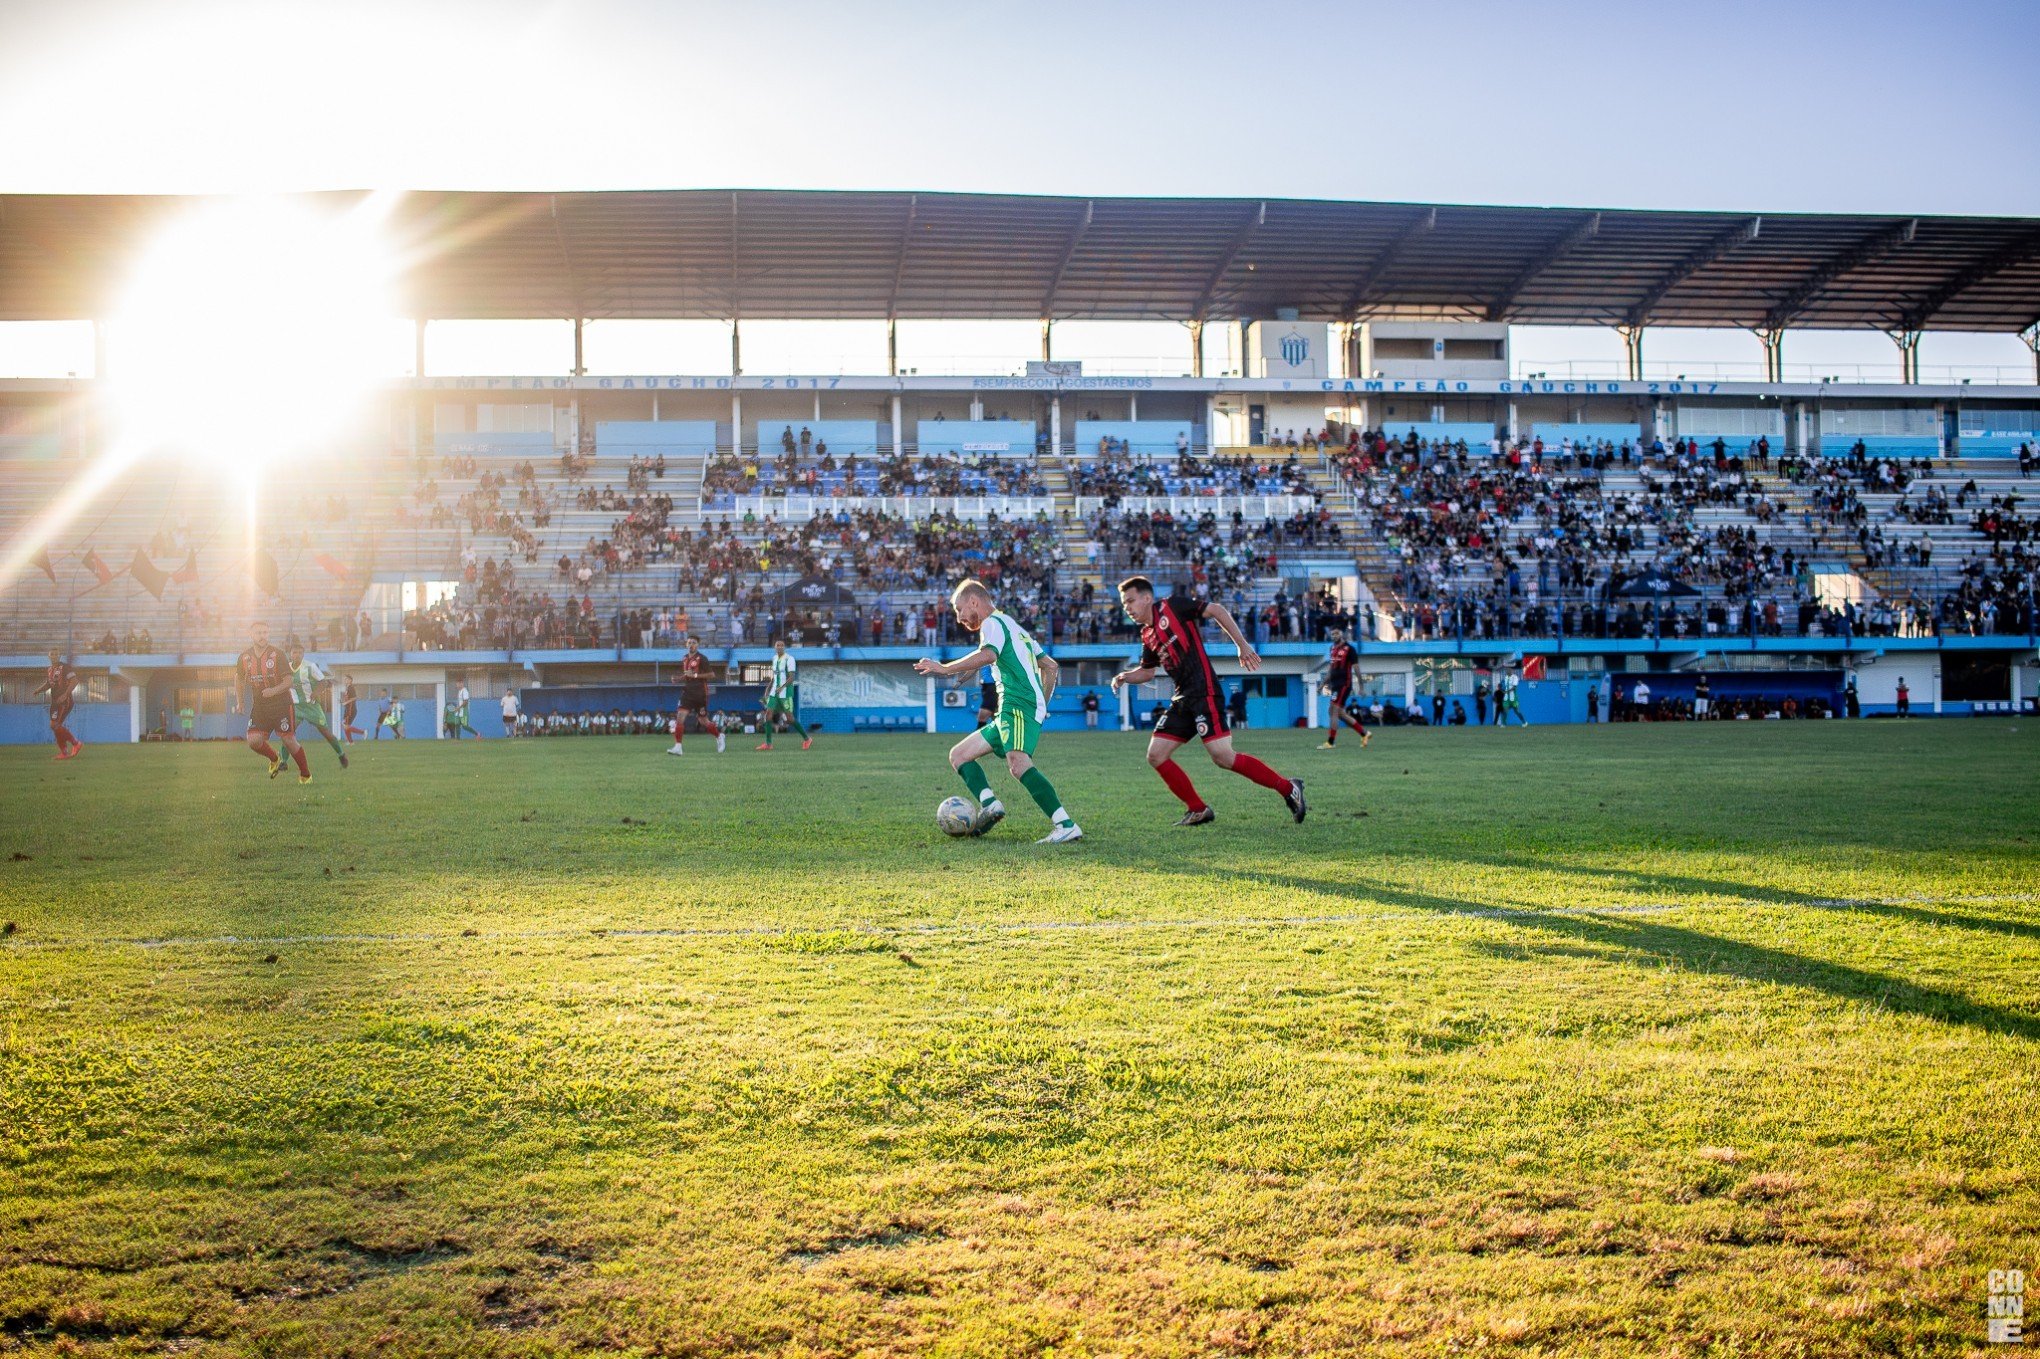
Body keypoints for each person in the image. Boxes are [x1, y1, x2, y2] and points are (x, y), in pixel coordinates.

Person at [1109, 576, 1305, 827]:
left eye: (1130, 601)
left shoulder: (1171, 607)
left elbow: (1216, 609)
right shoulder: (1147, 634)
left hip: (1204, 692)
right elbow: (1147, 671)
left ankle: (1289, 788)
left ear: (1147, 598)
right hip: (1182, 699)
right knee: (1156, 755)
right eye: (1124, 604)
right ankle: (1198, 809)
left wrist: (1242, 646)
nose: (1127, 607)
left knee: (1222, 756)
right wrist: (1125, 676)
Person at [914, 578, 1082, 844]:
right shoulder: (1013, 626)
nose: (959, 618)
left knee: (1018, 764)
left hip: (1017, 703)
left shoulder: (991, 623)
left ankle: (1065, 824)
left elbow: (989, 654)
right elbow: (1050, 667)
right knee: (959, 755)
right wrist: (1042, 703)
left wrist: (944, 668)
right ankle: (990, 804)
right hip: (1014, 708)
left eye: (959, 610)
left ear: (973, 601)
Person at [238, 621, 310, 783]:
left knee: (288, 740)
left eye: (265, 632)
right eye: (258, 633)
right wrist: (240, 702)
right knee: (254, 741)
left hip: (282, 705)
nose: (262, 636)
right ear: (251, 635)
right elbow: (239, 679)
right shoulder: (244, 657)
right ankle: (274, 758)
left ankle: (305, 775)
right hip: (260, 706)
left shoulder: (277, 655)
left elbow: (288, 681)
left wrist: (273, 691)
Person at [285, 642, 349, 769]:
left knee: (325, 732)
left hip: (312, 706)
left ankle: (341, 754)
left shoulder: (310, 666)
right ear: (290, 654)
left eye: (300, 652)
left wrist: (316, 693)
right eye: (294, 652)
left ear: (303, 654)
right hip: (296, 707)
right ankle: (283, 762)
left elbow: (323, 682)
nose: (297, 655)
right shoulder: (285, 669)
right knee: (288, 734)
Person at [670, 636, 725, 755]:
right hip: (687, 692)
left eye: (694, 643)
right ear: (686, 644)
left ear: (698, 645)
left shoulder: (702, 658)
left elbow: (711, 674)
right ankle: (678, 747)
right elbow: (688, 675)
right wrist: (678, 679)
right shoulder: (684, 658)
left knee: (703, 721)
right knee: (679, 717)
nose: (691, 644)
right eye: (689, 642)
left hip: (700, 693)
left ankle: (719, 736)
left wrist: (695, 676)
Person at [1317, 629, 1371, 750]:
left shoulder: (1350, 649)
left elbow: (1356, 668)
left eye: (1336, 633)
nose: (1334, 635)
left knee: (1333, 711)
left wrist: (1361, 687)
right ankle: (1364, 733)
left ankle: (1331, 742)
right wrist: (1322, 685)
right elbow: (1331, 670)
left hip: (1344, 684)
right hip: (1335, 685)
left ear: (1342, 634)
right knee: (1340, 714)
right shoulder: (1332, 649)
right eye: (1332, 634)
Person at [757, 638, 810, 750]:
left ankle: (807, 739)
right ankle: (768, 744)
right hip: (774, 692)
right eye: (778, 645)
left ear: (784, 647)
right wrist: (768, 687)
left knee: (789, 719)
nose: (780, 647)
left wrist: (781, 687)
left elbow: (791, 677)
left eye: (782, 645)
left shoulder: (789, 659)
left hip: (785, 692)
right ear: (775, 647)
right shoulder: (774, 658)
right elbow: (775, 676)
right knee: (768, 715)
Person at [31, 648, 81, 760]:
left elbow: (75, 681)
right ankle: (64, 752)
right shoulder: (50, 669)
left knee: (54, 725)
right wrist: (38, 690)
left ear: (59, 656)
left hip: (64, 700)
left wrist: (65, 694)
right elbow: (49, 684)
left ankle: (75, 743)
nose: (54, 656)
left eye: (56, 654)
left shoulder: (65, 667)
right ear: (48, 656)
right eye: (52, 654)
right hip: (55, 701)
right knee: (55, 726)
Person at [339, 674, 364, 743]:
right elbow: (348, 699)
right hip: (348, 709)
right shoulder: (347, 688)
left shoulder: (351, 688)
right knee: (345, 726)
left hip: (350, 710)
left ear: (350, 680)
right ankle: (351, 742)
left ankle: (363, 732)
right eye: (344, 679)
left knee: (345, 726)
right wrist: (343, 701)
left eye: (346, 679)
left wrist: (345, 703)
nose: (345, 680)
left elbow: (355, 698)